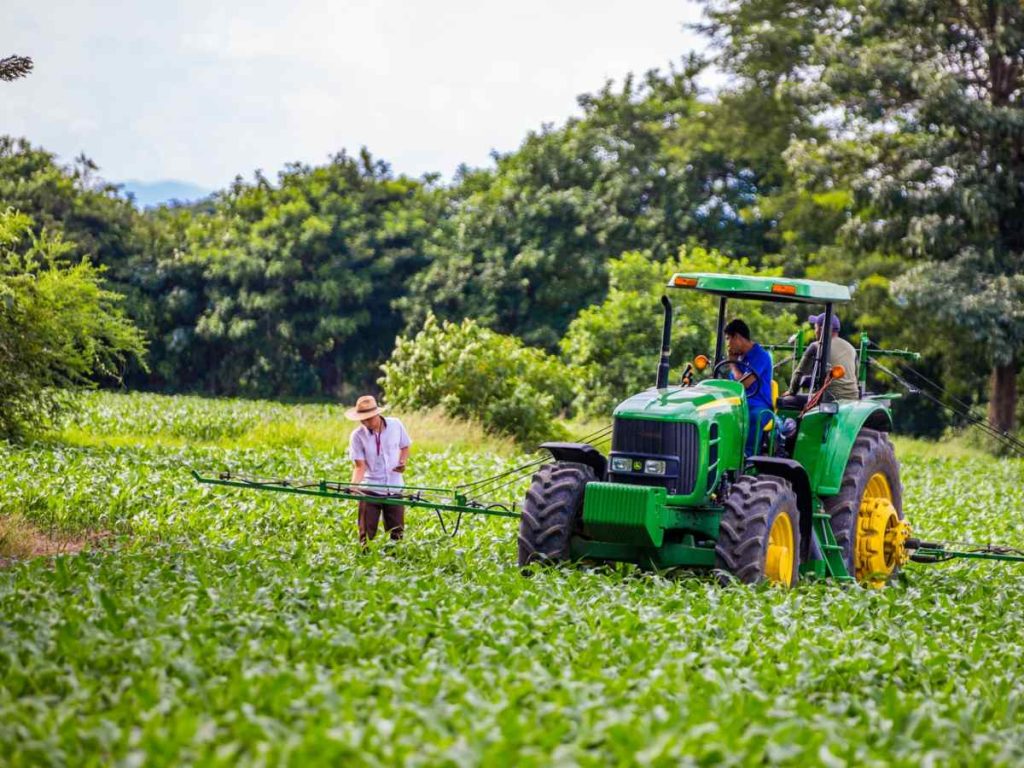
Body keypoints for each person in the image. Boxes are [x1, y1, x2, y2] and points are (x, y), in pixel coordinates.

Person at [346, 394, 412, 546]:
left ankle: (395, 562)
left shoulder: (396, 425)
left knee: (397, 533)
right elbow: (360, 466)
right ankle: (366, 560)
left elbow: (405, 445)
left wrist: (402, 462)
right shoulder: (357, 436)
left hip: (395, 486)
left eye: (369, 418)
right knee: (366, 536)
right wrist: (354, 485)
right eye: (363, 419)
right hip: (370, 488)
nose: (366, 422)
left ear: (377, 413)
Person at [723, 319, 774, 456]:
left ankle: (748, 456)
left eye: (728, 339)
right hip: (739, 404)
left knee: (754, 417)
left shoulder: (761, 356)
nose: (727, 345)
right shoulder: (739, 357)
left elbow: (744, 384)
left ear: (738, 337)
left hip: (759, 405)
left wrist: (733, 364)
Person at [784, 313, 859, 401]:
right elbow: (855, 376)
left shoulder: (816, 346)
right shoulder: (851, 348)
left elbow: (799, 373)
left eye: (815, 328)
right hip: (853, 398)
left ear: (821, 329)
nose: (815, 331)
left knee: (786, 401)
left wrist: (791, 391)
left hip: (828, 399)